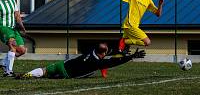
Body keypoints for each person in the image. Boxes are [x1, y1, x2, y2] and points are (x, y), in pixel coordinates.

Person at [100, 0, 164, 52]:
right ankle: (125, 42)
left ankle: (120, 46)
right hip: (130, 25)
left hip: (134, 26)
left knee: (120, 50)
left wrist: (160, 5)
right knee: (147, 42)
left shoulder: (148, 1)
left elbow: (158, 14)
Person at [16, 43, 144, 79]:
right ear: (103, 53)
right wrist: (131, 57)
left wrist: (120, 52)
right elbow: (114, 62)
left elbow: (109, 53)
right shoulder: (98, 63)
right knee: (50, 77)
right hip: (68, 74)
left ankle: (28, 74)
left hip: (63, 64)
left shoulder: (92, 50)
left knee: (44, 71)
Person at [0, 0, 26, 77]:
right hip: (2, 27)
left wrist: (22, 26)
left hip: (13, 28)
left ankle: (3, 62)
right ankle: (8, 71)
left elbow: (17, 15)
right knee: (13, 44)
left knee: (22, 50)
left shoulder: (12, 0)